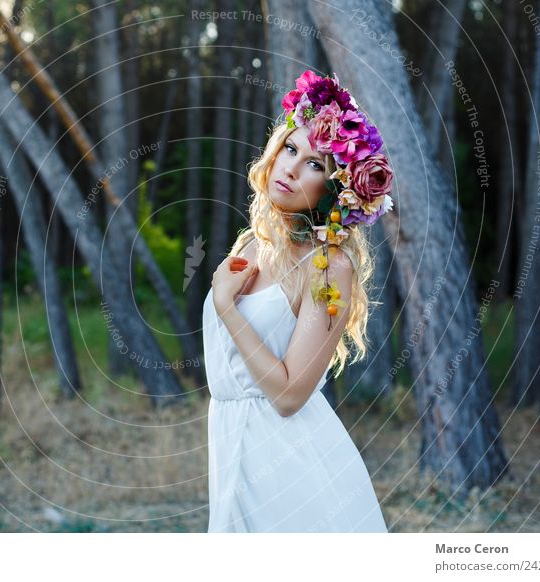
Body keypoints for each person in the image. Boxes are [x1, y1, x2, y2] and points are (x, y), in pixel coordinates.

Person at [202, 70, 394, 532]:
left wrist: (228, 309)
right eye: (291, 148)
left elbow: (289, 395)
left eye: (315, 164)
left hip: (290, 465)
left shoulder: (328, 266)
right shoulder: (251, 243)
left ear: (336, 189)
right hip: (232, 446)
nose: (290, 167)